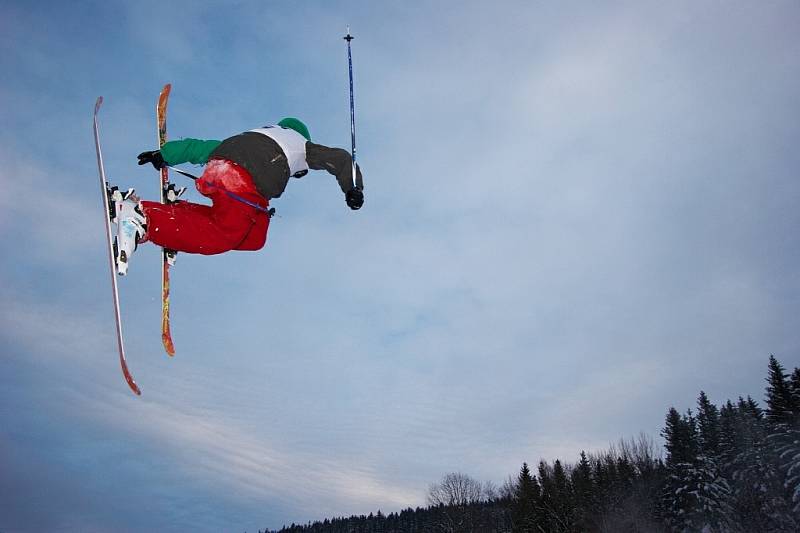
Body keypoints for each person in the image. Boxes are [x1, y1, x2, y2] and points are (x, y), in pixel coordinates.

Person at [111, 117, 364, 275]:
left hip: (224, 173)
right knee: (222, 236)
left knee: (255, 236)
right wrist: (353, 188)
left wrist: (164, 154)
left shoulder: (257, 135)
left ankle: (178, 214)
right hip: (242, 182)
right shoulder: (302, 145)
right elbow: (340, 158)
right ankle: (143, 219)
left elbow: (201, 147)